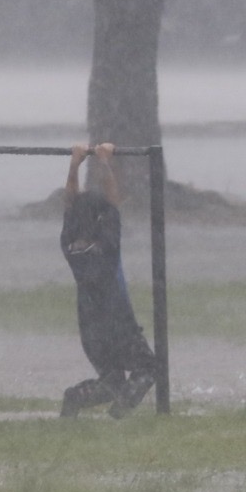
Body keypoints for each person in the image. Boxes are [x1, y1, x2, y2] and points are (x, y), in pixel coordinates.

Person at [59, 142, 157, 418]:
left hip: (90, 325)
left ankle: (74, 399)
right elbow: (113, 202)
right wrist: (104, 161)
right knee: (148, 368)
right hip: (117, 321)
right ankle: (118, 417)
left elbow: (70, 204)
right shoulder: (107, 246)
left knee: (112, 379)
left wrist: (75, 163)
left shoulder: (69, 246)